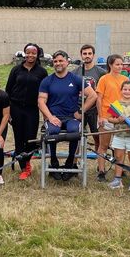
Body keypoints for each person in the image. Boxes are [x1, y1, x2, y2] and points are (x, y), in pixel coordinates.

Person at [38, 50, 97, 181]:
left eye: (60, 61)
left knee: (74, 131)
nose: (58, 63)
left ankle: (70, 162)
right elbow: (41, 101)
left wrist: (81, 111)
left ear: (67, 62)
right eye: (55, 61)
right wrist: (50, 117)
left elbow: (93, 95)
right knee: (52, 132)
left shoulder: (76, 79)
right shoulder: (47, 81)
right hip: (54, 117)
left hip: (71, 117)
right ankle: (54, 163)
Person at [5, 43, 48, 180]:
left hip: (32, 110)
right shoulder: (16, 70)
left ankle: (27, 164)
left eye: (33, 53)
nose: (30, 55)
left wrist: (45, 114)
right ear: (24, 54)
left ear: (37, 54)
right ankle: (22, 166)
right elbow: (8, 91)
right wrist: (8, 113)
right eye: (28, 52)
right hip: (16, 108)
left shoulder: (42, 72)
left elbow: (45, 94)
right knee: (19, 138)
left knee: (29, 139)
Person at [95, 54, 129, 182]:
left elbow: (128, 98)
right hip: (106, 116)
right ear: (110, 65)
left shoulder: (125, 79)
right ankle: (101, 171)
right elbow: (99, 98)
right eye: (117, 64)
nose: (120, 67)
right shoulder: (104, 79)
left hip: (120, 117)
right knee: (104, 145)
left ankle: (120, 169)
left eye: (121, 64)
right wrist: (100, 116)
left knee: (120, 146)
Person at [107, 81, 130, 191]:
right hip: (119, 135)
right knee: (119, 158)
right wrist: (117, 120)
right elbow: (109, 118)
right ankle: (117, 179)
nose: (127, 92)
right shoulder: (116, 104)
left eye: (129, 90)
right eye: (125, 89)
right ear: (121, 90)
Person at [71, 44, 106, 151]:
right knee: (77, 136)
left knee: (97, 136)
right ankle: (75, 161)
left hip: (94, 109)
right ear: (81, 55)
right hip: (79, 108)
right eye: (84, 53)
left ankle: (98, 157)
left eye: (89, 53)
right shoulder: (75, 72)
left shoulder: (101, 72)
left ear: (93, 55)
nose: (87, 56)